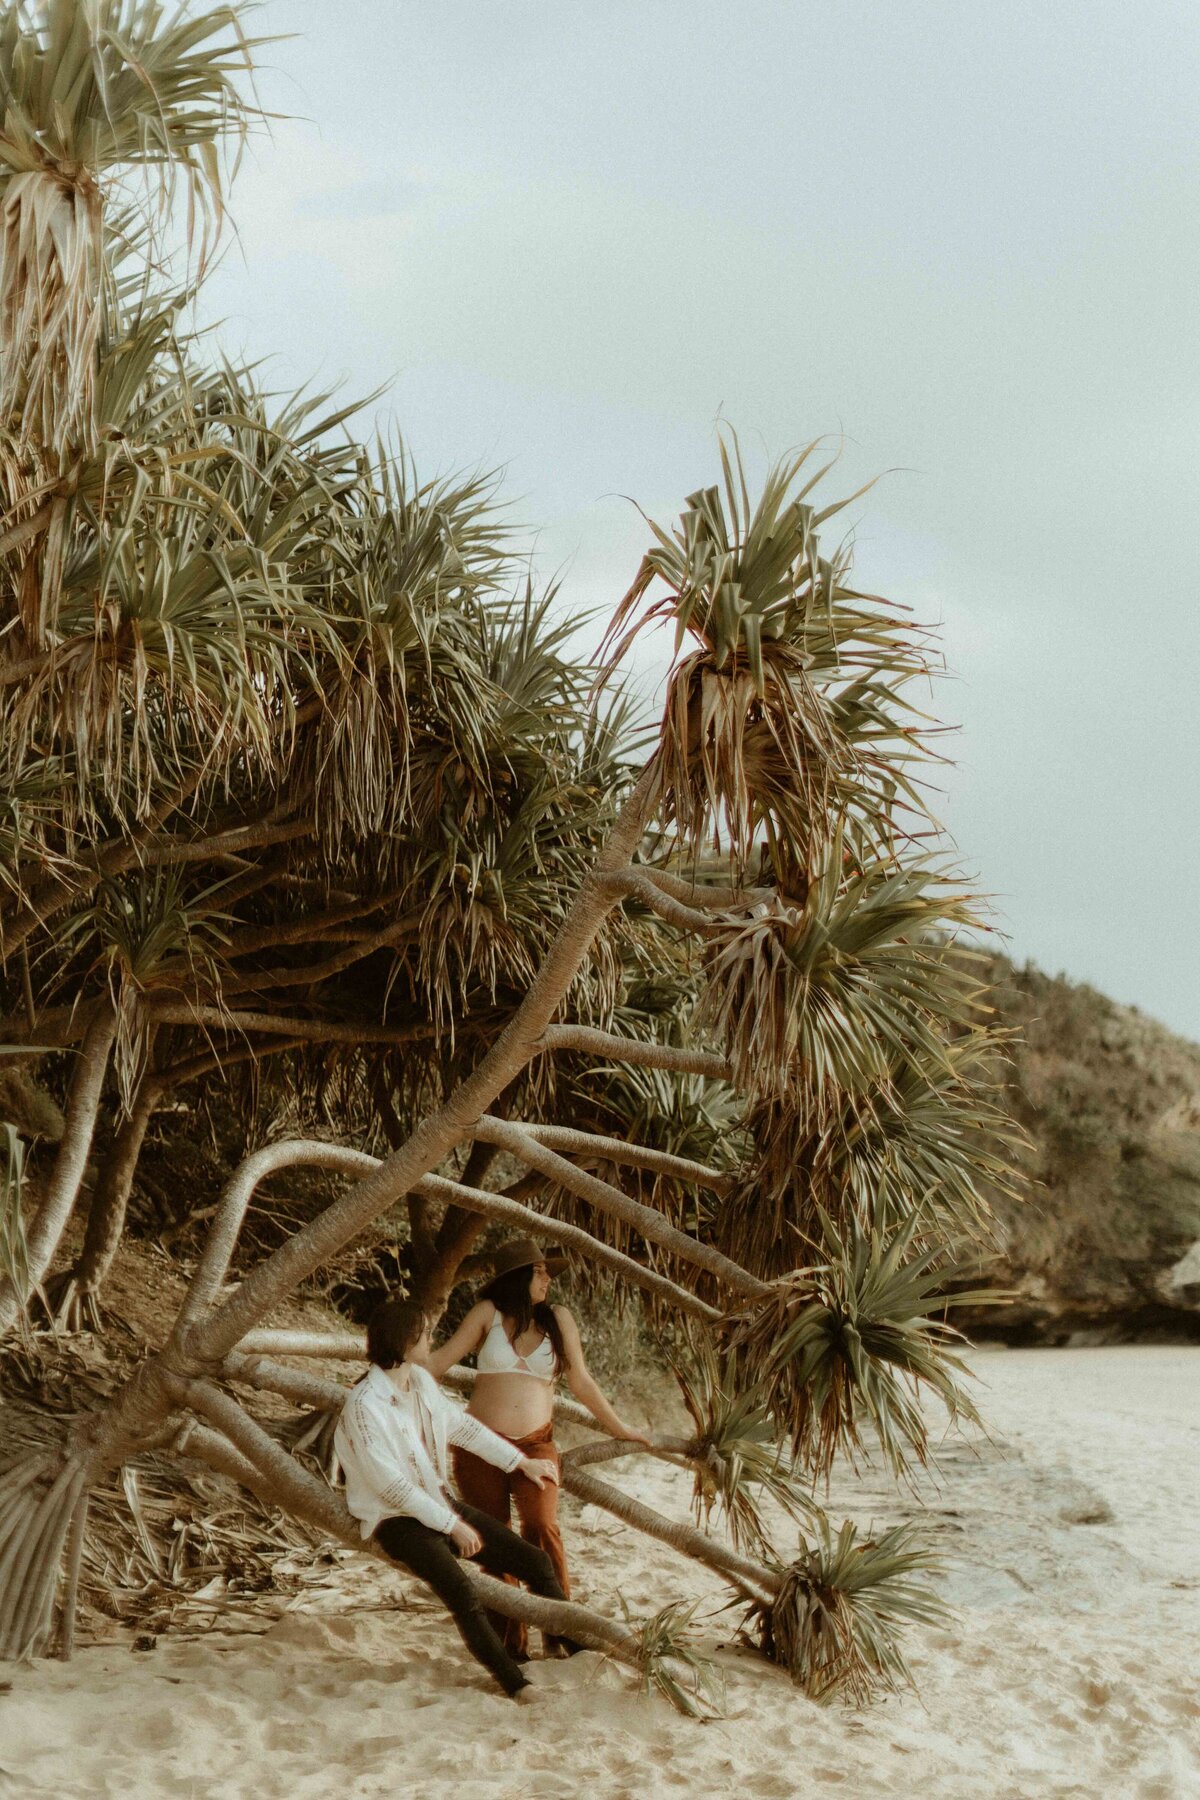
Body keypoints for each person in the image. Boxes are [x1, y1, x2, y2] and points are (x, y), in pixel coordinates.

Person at [334, 1296, 576, 1700]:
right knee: (463, 1593)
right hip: (396, 1519)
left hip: (436, 1502)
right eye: (425, 1333)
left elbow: (463, 1427)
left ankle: (578, 1647)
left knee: (535, 1562)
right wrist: (452, 1526)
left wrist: (520, 1463)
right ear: (402, 1339)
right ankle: (516, 1684)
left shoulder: (420, 1382)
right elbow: (392, 1487)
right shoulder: (364, 1405)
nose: (431, 1338)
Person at [424, 1236, 652, 1662]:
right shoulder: (487, 1314)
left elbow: (581, 1382)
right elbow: (436, 1365)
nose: (548, 1278)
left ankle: (561, 1630)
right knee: (491, 1538)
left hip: (536, 1444)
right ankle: (511, 1644)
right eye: (540, 1271)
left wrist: (622, 1427)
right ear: (516, 1277)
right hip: (478, 1447)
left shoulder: (558, 1319)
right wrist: (390, 1389)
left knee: (542, 1527)